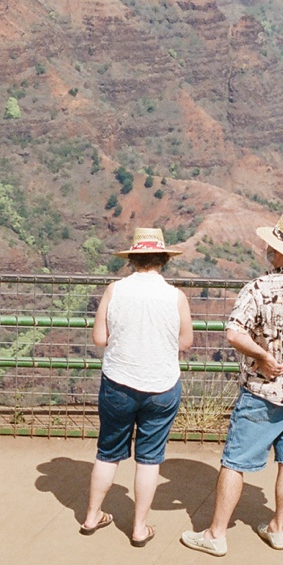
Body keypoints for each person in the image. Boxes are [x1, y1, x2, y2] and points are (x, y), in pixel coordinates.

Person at [182, 211, 283, 556]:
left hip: (261, 393)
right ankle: (277, 529)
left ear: (279, 251)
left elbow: (233, 333)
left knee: (235, 463)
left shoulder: (257, 289)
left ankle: (215, 535)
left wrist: (265, 357)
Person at [81, 227, 194, 546]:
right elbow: (185, 342)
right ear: (163, 260)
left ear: (132, 259)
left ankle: (92, 516)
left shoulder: (115, 290)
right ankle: (139, 527)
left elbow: (100, 338)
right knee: (150, 458)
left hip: (118, 383)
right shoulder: (176, 297)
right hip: (161, 385)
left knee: (108, 452)